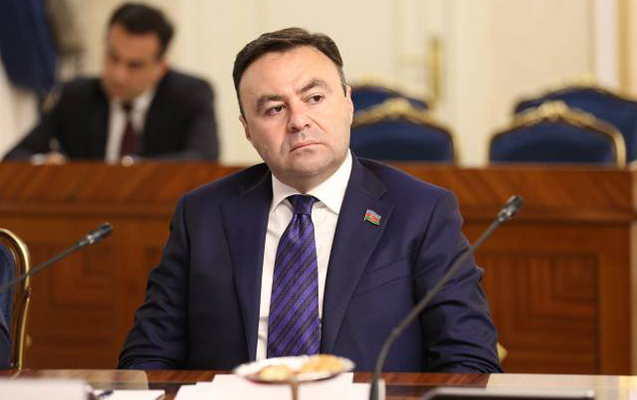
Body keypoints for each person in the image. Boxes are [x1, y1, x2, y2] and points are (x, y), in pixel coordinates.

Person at [118, 27, 502, 372]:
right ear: (247, 129)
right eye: (274, 108)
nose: (298, 120)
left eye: (315, 97)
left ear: (348, 103)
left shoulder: (421, 211)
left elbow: (470, 360)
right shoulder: (202, 215)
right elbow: (147, 356)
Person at [3, 2, 218, 163]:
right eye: (113, 58)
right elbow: (14, 157)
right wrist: (43, 163)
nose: (118, 75)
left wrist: (131, 171)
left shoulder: (190, 95)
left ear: (161, 68)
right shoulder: (76, 96)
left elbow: (203, 159)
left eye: (134, 65)